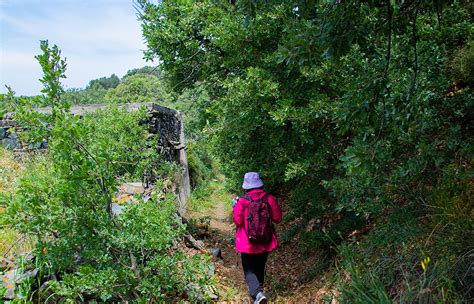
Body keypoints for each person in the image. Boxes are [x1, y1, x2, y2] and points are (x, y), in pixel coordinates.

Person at [233, 172, 282, 304]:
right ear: (259, 183)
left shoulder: (243, 201)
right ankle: (258, 295)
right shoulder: (270, 199)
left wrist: (235, 206)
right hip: (265, 241)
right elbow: (278, 219)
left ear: (246, 186)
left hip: (247, 242)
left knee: (249, 268)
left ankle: (257, 294)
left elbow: (237, 221)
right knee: (260, 266)